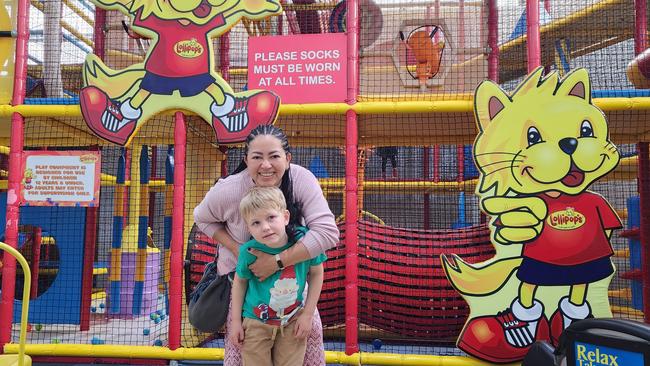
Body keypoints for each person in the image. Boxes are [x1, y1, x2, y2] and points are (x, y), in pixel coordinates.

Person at [193, 124, 339, 366]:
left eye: (274, 156)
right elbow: (202, 217)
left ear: (287, 158)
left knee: (304, 348)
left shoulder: (301, 180)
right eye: (257, 157)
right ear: (246, 159)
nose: (266, 165)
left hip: (293, 290)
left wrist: (276, 262)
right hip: (249, 295)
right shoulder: (230, 190)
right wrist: (236, 248)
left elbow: (327, 233)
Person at [230, 186, 326, 366]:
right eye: (256, 223)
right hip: (256, 321)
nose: (265, 227)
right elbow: (240, 282)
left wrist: (307, 315)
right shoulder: (249, 251)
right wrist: (236, 321)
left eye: (271, 218)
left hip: (292, 319)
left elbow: (317, 272)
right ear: (248, 228)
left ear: (286, 217)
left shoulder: (304, 241)